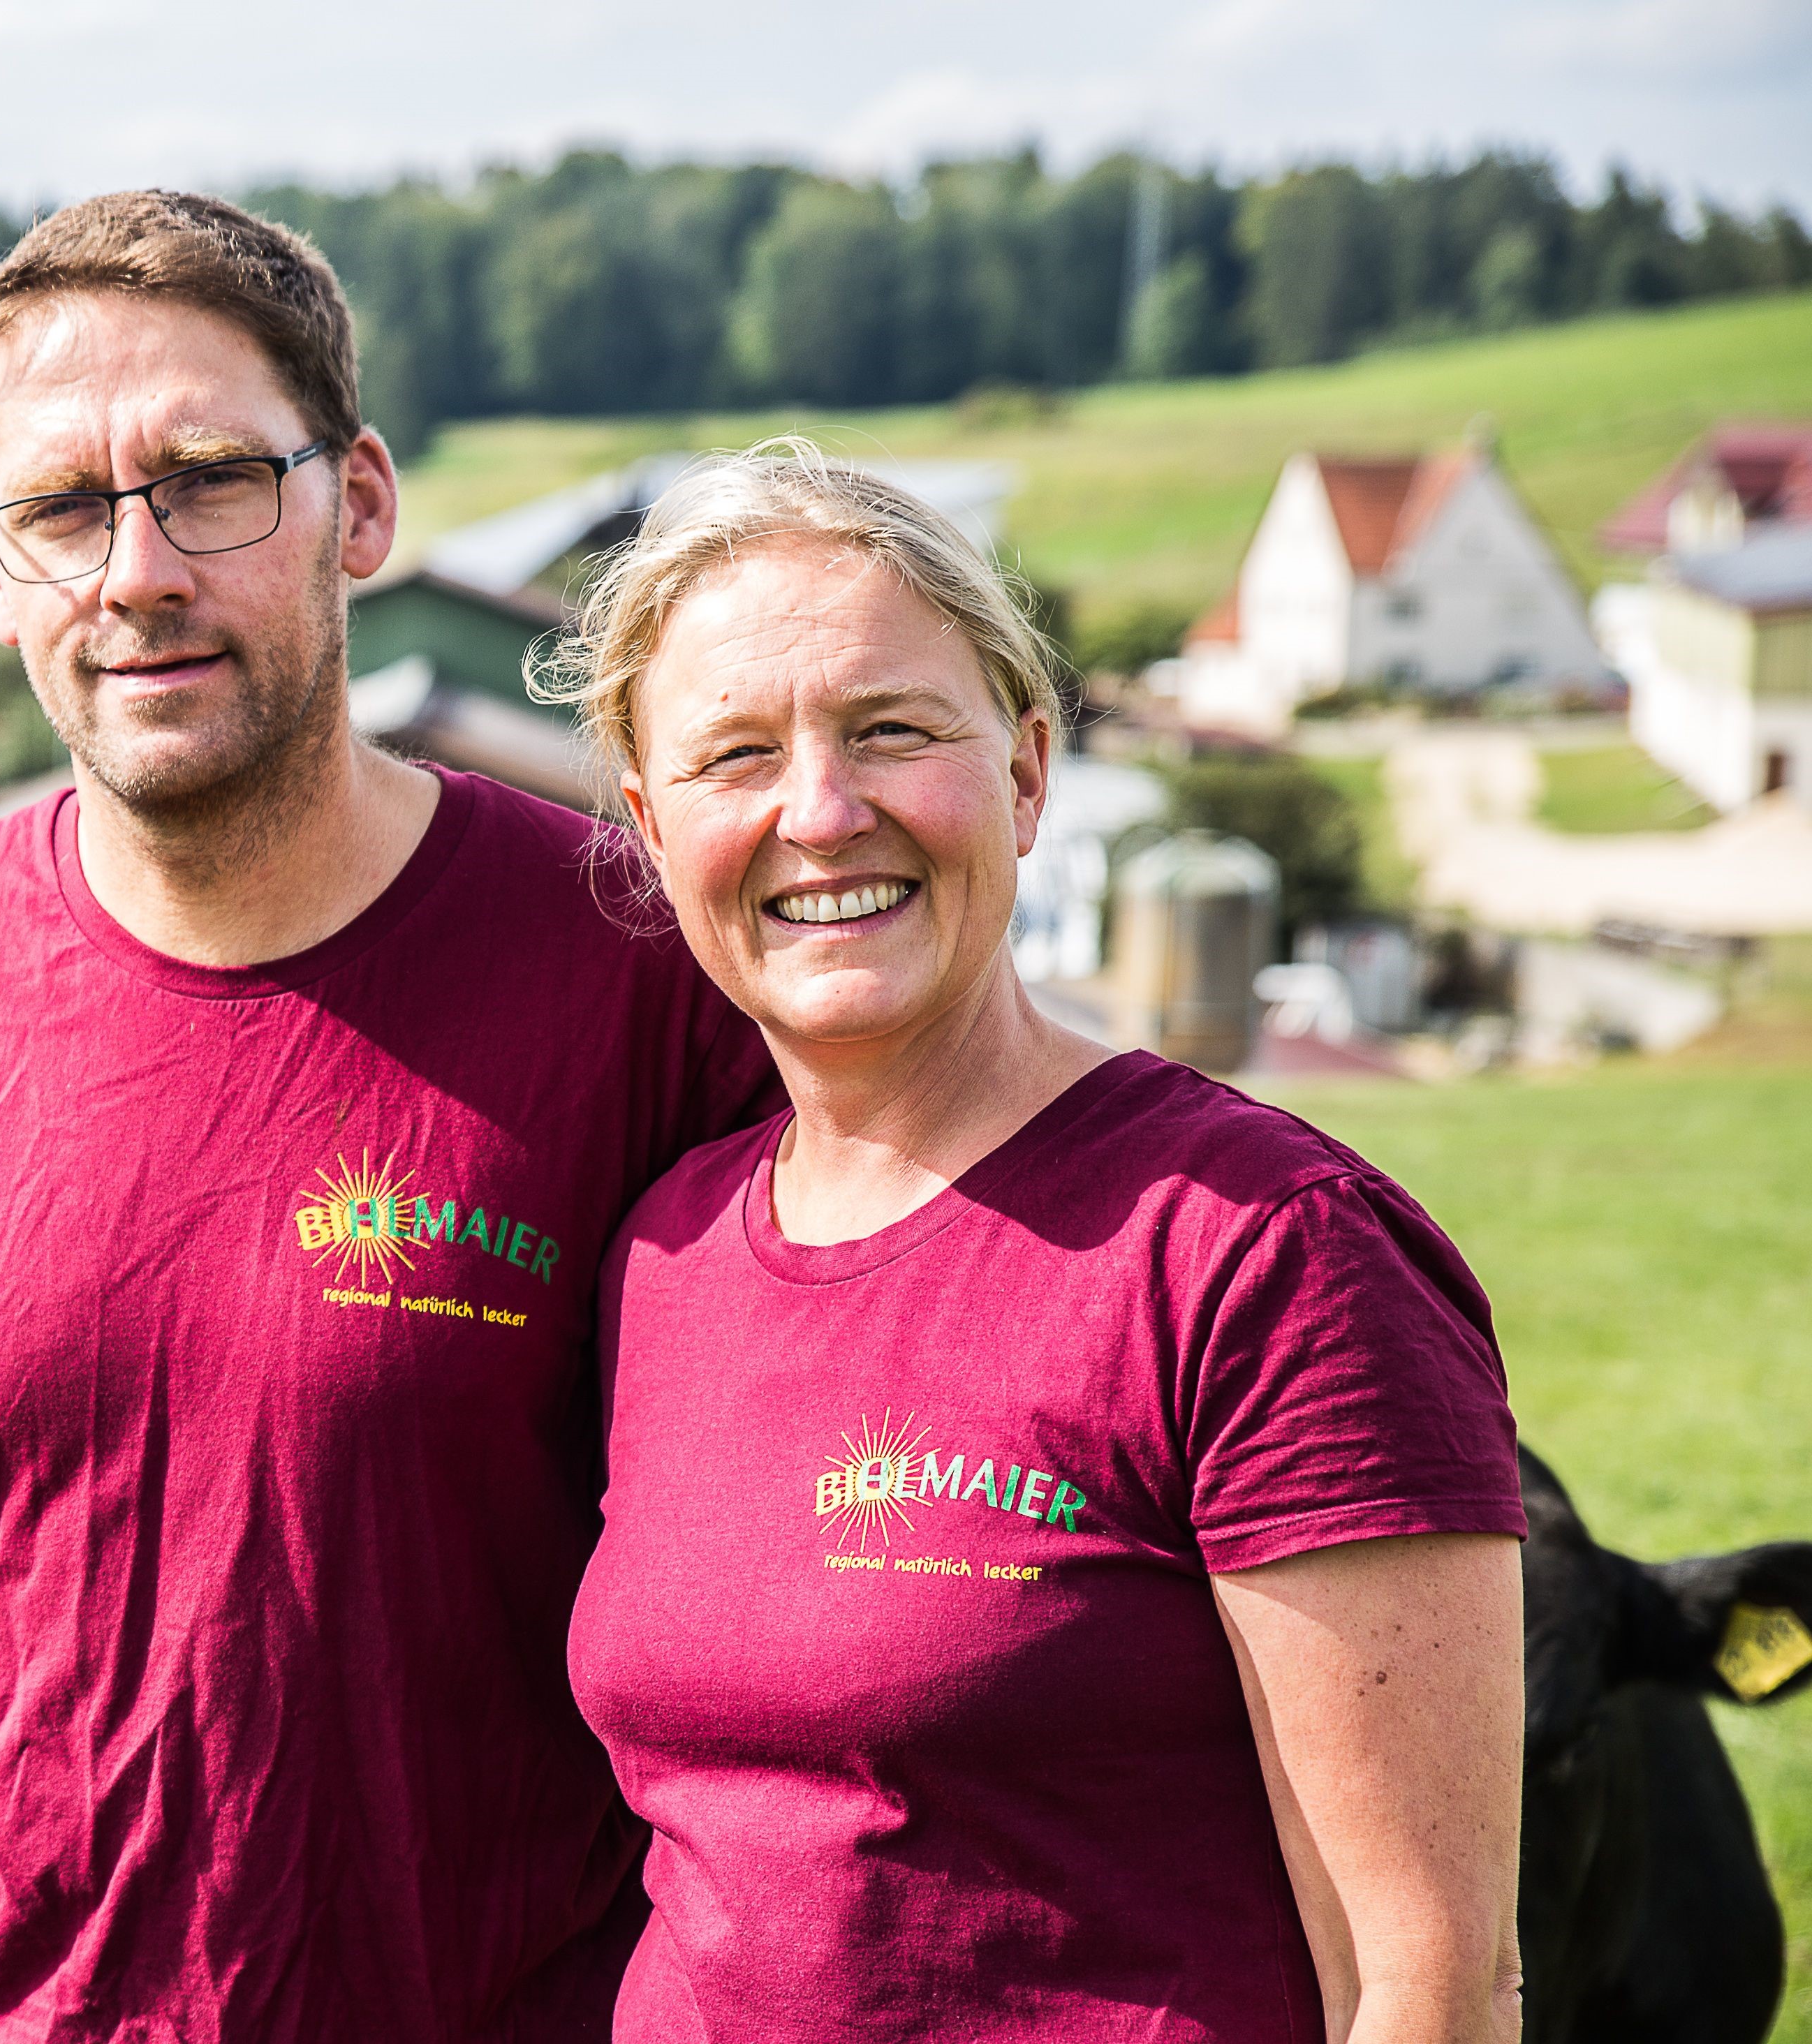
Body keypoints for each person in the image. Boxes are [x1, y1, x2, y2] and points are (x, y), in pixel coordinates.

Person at [0, 190, 779, 2042]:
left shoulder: (635, 972)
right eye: (64, 510)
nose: (138, 571)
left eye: (208, 482)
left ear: (360, 506)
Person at [555, 445, 1526, 2043]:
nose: (821, 811)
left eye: (890, 731)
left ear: (1022, 772)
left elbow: (1426, 1983)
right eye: (737, 756)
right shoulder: (663, 1252)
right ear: (656, 829)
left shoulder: (1268, 1255)